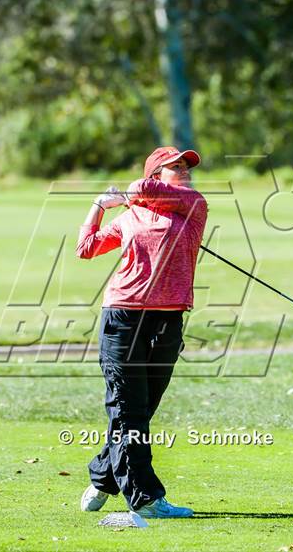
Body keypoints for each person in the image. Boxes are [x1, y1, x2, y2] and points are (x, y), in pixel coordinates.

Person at [76, 146, 208, 519]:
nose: (184, 170)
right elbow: (85, 249)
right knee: (129, 409)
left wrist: (135, 196)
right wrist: (100, 205)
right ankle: (146, 498)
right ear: (156, 175)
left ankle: (104, 476)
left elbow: (137, 187)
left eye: (186, 165)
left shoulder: (194, 205)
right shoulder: (132, 215)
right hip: (123, 317)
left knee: (140, 408)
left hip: (168, 319)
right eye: (174, 166)